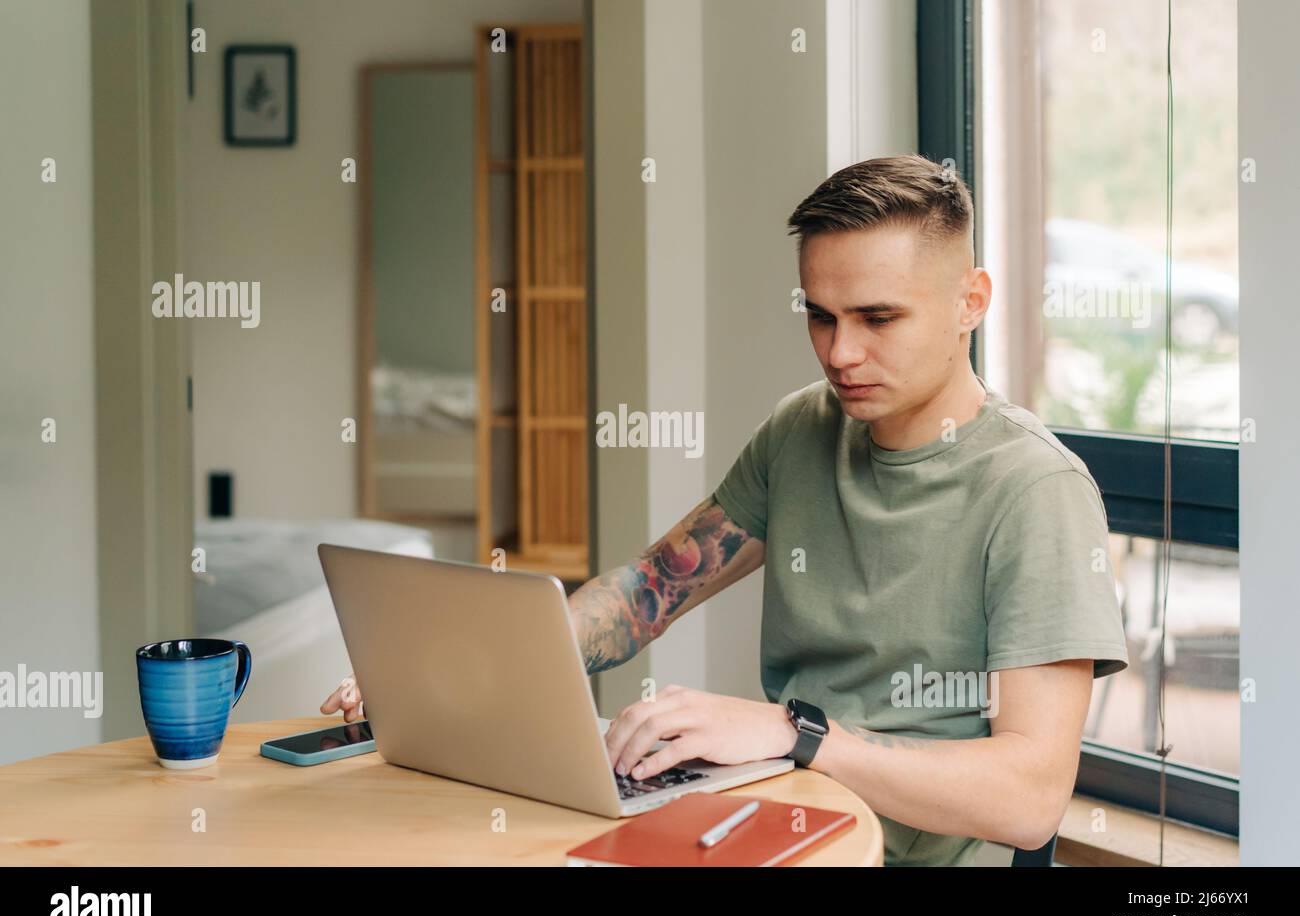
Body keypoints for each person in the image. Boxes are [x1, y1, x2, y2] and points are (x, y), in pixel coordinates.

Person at [322, 154, 1129, 866]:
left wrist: (795, 733)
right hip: (769, 818)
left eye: (878, 318)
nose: (839, 354)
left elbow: (1030, 801)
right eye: (820, 315)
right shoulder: (802, 429)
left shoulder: (1035, 492)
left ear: (970, 301)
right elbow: (649, 589)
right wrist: (468, 663)